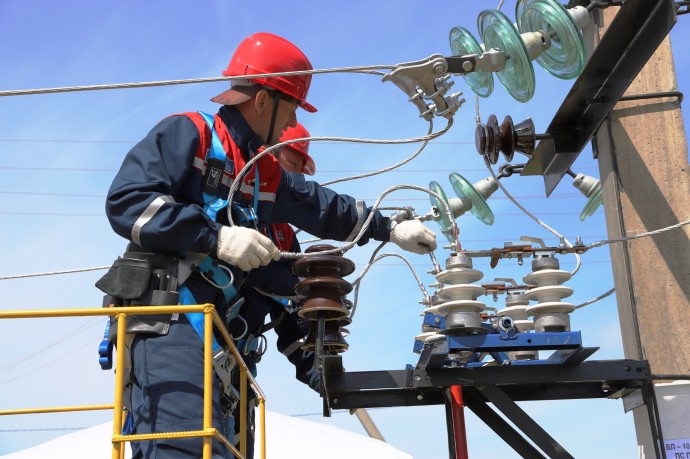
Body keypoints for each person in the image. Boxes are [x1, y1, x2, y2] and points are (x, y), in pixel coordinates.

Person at [100, 31, 437, 458]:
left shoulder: (261, 173)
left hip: (224, 349)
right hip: (171, 323)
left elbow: (318, 205)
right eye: (291, 108)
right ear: (263, 100)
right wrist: (216, 237)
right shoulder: (191, 134)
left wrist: (388, 228)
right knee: (185, 450)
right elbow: (128, 202)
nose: (290, 123)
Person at [231, 122, 319, 458]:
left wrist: (322, 375)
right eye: (293, 163)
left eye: (300, 168)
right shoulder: (231, 205)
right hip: (189, 346)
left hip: (237, 367)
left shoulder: (284, 235)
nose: (296, 176)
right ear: (268, 155)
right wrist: (296, 288)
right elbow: (261, 275)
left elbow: (293, 320)